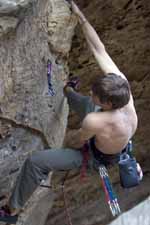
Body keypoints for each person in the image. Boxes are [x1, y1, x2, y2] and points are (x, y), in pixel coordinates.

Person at [0, 0, 138, 223]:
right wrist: (80, 16)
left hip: (94, 156)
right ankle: (67, 91)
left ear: (108, 104)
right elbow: (99, 48)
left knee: (37, 161)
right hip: (109, 134)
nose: (91, 94)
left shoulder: (96, 120)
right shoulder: (123, 89)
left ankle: (11, 212)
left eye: (96, 95)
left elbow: (73, 141)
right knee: (85, 104)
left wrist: (64, 139)